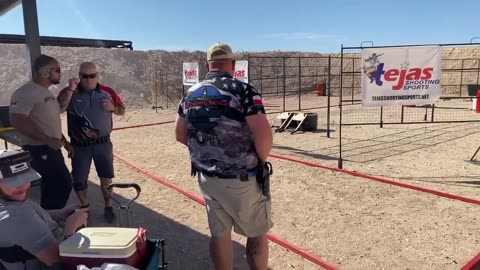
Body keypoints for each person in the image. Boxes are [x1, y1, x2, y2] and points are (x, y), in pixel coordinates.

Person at [175, 42, 273, 270]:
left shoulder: (190, 93)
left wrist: (207, 149)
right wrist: (260, 159)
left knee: (219, 234)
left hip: (207, 176)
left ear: (208, 64)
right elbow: (264, 135)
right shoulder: (244, 90)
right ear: (232, 64)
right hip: (241, 175)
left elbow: (180, 135)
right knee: (256, 231)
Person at [57, 62, 125, 223]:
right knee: (79, 180)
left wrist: (113, 108)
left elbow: (122, 110)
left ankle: (108, 205)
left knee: (106, 176)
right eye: (84, 76)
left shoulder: (107, 92)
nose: (88, 80)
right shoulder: (69, 93)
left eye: (92, 76)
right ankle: (85, 206)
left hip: (103, 144)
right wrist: (65, 143)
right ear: (78, 76)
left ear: (97, 75)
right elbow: (55, 112)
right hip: (79, 146)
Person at [0, 149, 88, 270]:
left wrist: (57, 214)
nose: (23, 186)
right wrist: (72, 225)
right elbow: (57, 259)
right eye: (13, 182)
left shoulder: (8, 200)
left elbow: (22, 225)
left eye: (25, 179)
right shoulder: (15, 214)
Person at [9, 54, 75, 210]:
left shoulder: (45, 92)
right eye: (57, 70)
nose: (60, 73)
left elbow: (49, 122)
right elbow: (17, 120)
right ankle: (53, 221)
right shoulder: (26, 92)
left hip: (50, 148)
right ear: (45, 71)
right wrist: (47, 140)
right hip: (39, 149)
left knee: (51, 186)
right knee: (63, 184)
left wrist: (65, 143)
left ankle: (48, 218)